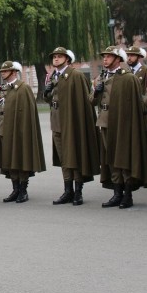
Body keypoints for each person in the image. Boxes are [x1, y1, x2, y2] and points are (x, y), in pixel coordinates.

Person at [90, 47, 147, 208]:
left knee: (123, 157)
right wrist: (96, 93)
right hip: (104, 122)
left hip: (122, 123)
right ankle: (117, 192)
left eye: (109, 56)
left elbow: (135, 104)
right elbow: (91, 101)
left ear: (118, 59)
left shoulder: (128, 78)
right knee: (111, 158)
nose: (105, 59)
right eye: (104, 56)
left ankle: (128, 194)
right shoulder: (101, 78)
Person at [0, 60, 46, 203]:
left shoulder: (23, 88)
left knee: (20, 158)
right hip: (4, 129)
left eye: (5, 71)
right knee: (9, 159)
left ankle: (23, 190)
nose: (2, 73)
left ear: (14, 72)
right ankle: (15, 189)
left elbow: (29, 112)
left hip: (18, 130)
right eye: (2, 71)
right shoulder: (2, 88)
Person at [42, 47, 99, 206]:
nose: (56, 59)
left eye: (59, 56)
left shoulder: (76, 75)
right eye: (54, 57)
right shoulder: (53, 76)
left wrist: (79, 122)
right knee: (64, 158)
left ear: (67, 59)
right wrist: (46, 93)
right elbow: (50, 100)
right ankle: (68, 190)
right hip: (57, 122)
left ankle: (78, 191)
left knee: (74, 155)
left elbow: (83, 102)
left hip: (72, 122)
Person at [126, 46, 147, 187]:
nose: (129, 58)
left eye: (132, 55)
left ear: (139, 57)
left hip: (144, 115)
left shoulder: (146, 72)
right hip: (131, 114)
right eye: (128, 55)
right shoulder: (126, 72)